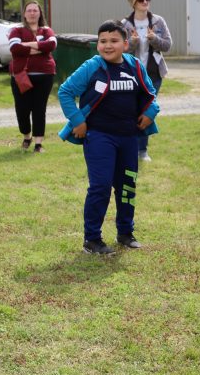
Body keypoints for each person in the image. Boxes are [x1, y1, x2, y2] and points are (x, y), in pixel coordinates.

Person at [57, 20, 159, 255]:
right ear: (97, 45)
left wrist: (150, 113)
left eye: (114, 41)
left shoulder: (134, 66)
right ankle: (91, 239)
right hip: (99, 137)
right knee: (100, 187)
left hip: (128, 138)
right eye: (103, 41)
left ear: (126, 44)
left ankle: (125, 233)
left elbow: (150, 94)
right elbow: (65, 91)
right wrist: (78, 121)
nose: (108, 45)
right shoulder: (92, 67)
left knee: (127, 186)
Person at [121, 0, 171, 163]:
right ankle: (131, 147)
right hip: (131, 73)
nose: (145, 2)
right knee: (132, 110)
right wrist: (133, 43)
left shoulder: (158, 21)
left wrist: (154, 39)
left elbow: (167, 45)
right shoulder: (125, 24)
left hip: (153, 73)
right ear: (134, 2)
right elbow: (121, 50)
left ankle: (142, 150)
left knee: (147, 109)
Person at [7, 0, 57, 153]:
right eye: (29, 10)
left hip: (45, 75)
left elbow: (51, 45)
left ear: (40, 13)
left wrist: (26, 45)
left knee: (39, 109)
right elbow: (14, 48)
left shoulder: (47, 30)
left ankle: (38, 143)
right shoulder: (17, 30)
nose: (32, 13)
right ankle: (26, 136)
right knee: (22, 109)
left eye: (35, 10)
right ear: (24, 14)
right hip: (21, 75)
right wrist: (39, 47)